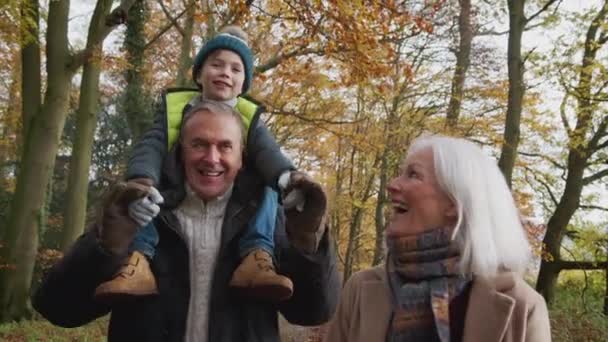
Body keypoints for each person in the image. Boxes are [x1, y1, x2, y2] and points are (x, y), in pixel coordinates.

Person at [33, 101, 340, 341]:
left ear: (242, 157)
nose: (212, 158)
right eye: (199, 144)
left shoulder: (265, 218)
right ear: (181, 152)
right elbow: (60, 310)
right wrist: (106, 246)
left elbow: (313, 313)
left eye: (225, 146)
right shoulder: (140, 213)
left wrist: (308, 244)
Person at [94, 25, 306, 302]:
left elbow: (268, 150)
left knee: (269, 184)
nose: (225, 73)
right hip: (176, 181)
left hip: (238, 190)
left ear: (244, 83)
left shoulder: (249, 117)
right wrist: (141, 179)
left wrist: (286, 176)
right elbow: (152, 143)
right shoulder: (175, 107)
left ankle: (257, 253)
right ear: (198, 73)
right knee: (146, 193)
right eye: (216, 64)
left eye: (235, 69)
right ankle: (137, 260)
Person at [324, 135, 551, 342]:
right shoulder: (360, 289)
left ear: (454, 202)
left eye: (413, 174)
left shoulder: (523, 306)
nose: (392, 185)